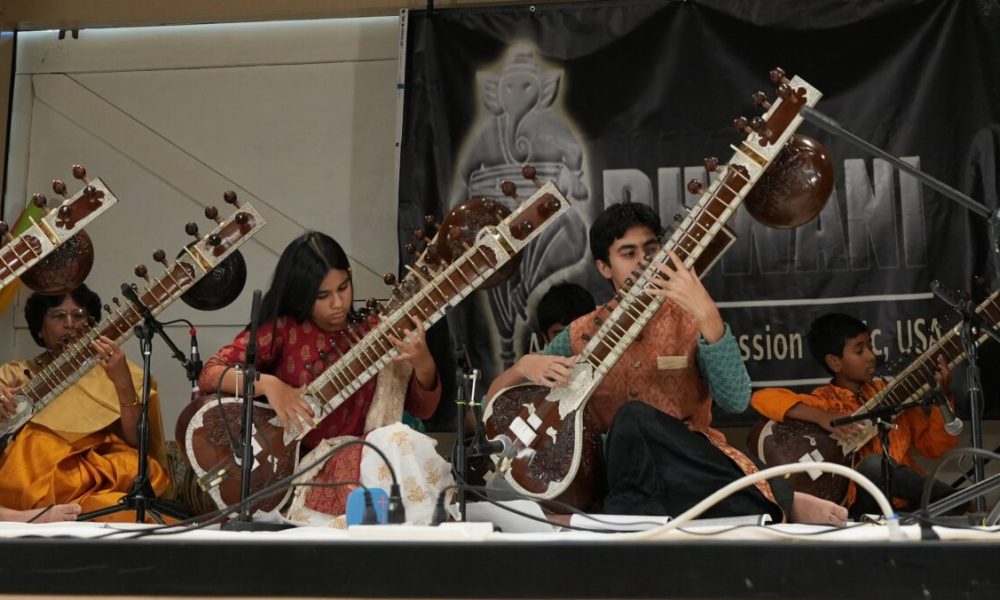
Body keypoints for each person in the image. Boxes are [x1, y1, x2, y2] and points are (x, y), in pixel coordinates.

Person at [486, 202, 846, 525]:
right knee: (630, 425)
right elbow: (494, 406)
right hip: (625, 474)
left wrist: (708, 316)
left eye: (651, 249)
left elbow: (736, 400)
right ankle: (763, 502)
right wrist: (524, 367)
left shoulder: (691, 319)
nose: (645, 261)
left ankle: (621, 521)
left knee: (636, 420)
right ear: (604, 267)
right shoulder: (580, 334)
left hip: (691, 469)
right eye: (628, 253)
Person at [198, 231, 452, 526]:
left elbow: (424, 410)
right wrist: (270, 385)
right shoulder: (284, 331)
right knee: (398, 443)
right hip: (310, 473)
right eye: (323, 296)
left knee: (401, 441)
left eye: (343, 288)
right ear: (302, 294)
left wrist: (423, 362)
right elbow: (211, 374)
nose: (338, 303)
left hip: (374, 462)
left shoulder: (378, 333)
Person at [751, 312, 959, 517]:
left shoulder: (893, 393)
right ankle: (963, 501)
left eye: (870, 346)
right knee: (874, 466)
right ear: (835, 362)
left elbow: (934, 447)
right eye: (860, 351)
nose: (871, 356)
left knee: (882, 467)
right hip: (859, 509)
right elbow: (761, 399)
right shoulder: (824, 402)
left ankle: (958, 501)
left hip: (911, 504)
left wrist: (943, 396)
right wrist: (822, 417)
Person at [0, 284, 172, 522]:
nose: (70, 323)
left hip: (103, 480)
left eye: (79, 315)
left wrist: (122, 383)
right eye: (58, 315)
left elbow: (136, 443)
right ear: (39, 329)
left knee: (132, 509)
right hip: (40, 481)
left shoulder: (120, 370)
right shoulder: (17, 374)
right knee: (36, 441)